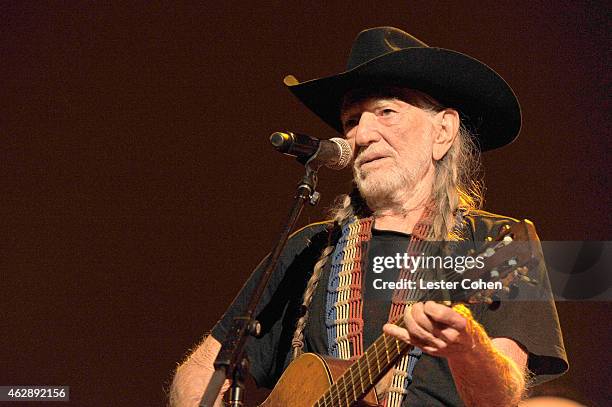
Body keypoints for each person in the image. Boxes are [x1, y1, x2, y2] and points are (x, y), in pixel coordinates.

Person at [170, 27, 568, 407]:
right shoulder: (309, 248)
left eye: (386, 112)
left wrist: (469, 350)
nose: (361, 135)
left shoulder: (499, 242)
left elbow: (498, 399)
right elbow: (202, 367)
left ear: (443, 131)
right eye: (351, 121)